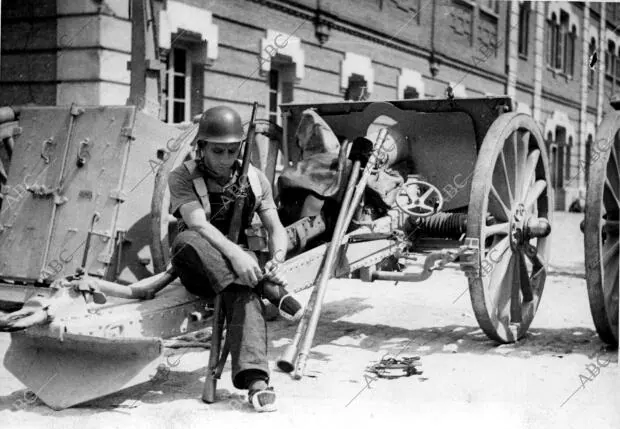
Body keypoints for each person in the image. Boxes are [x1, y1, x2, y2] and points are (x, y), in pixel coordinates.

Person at [167, 105, 303, 412]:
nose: (226, 159)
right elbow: (198, 224)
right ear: (201, 147)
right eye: (218, 151)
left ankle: (256, 381)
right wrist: (240, 259)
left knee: (240, 289)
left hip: (238, 273)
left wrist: (277, 259)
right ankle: (266, 288)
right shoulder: (182, 177)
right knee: (187, 239)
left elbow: (276, 228)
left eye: (232, 151)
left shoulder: (255, 179)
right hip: (196, 262)